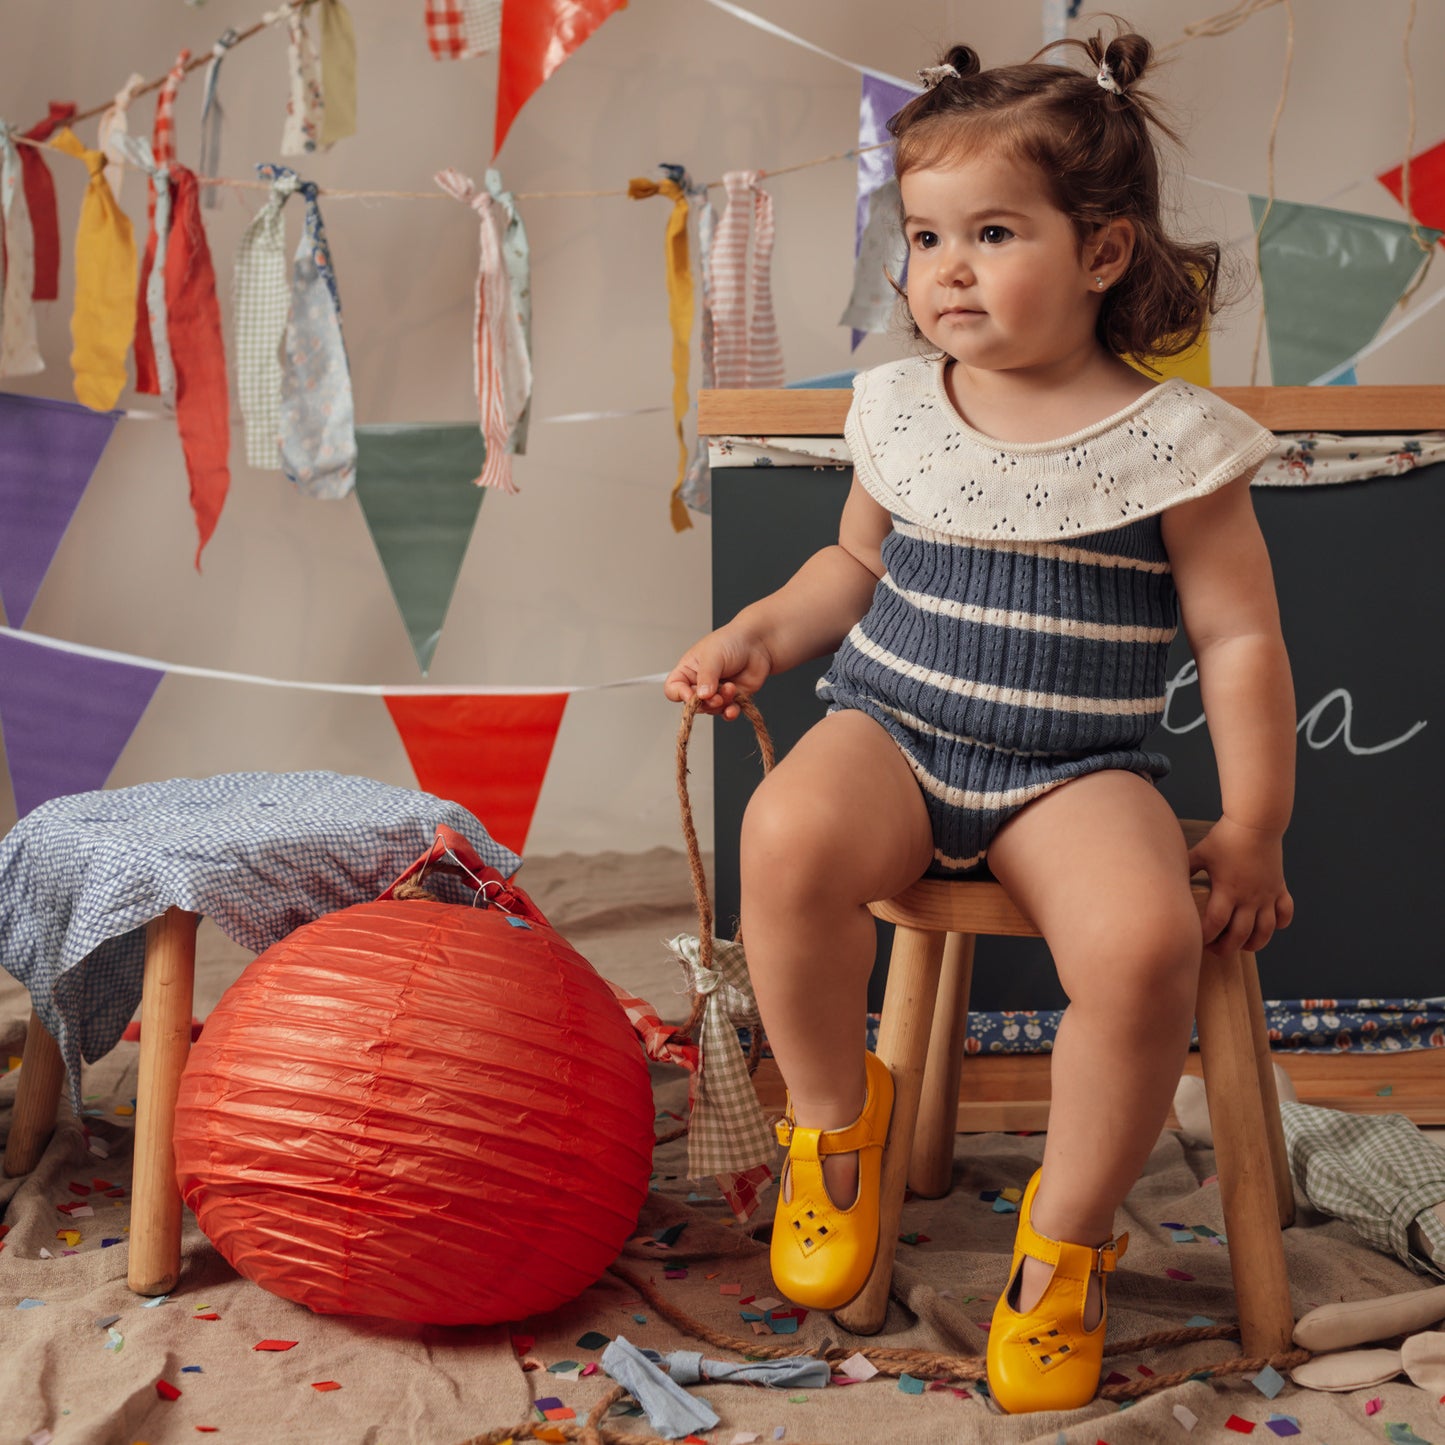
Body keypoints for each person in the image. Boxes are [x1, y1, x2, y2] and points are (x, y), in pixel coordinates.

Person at [664, 27, 1295, 1415]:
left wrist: (1251, 823)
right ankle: (834, 1123)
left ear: (1104, 253)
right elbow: (851, 566)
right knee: (785, 834)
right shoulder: (898, 406)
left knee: (1138, 944)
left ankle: (1061, 1243)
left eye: (992, 231)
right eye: (926, 233)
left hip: (1076, 773)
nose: (944, 267)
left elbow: (1238, 639)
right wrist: (755, 638)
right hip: (891, 727)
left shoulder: (1175, 442)